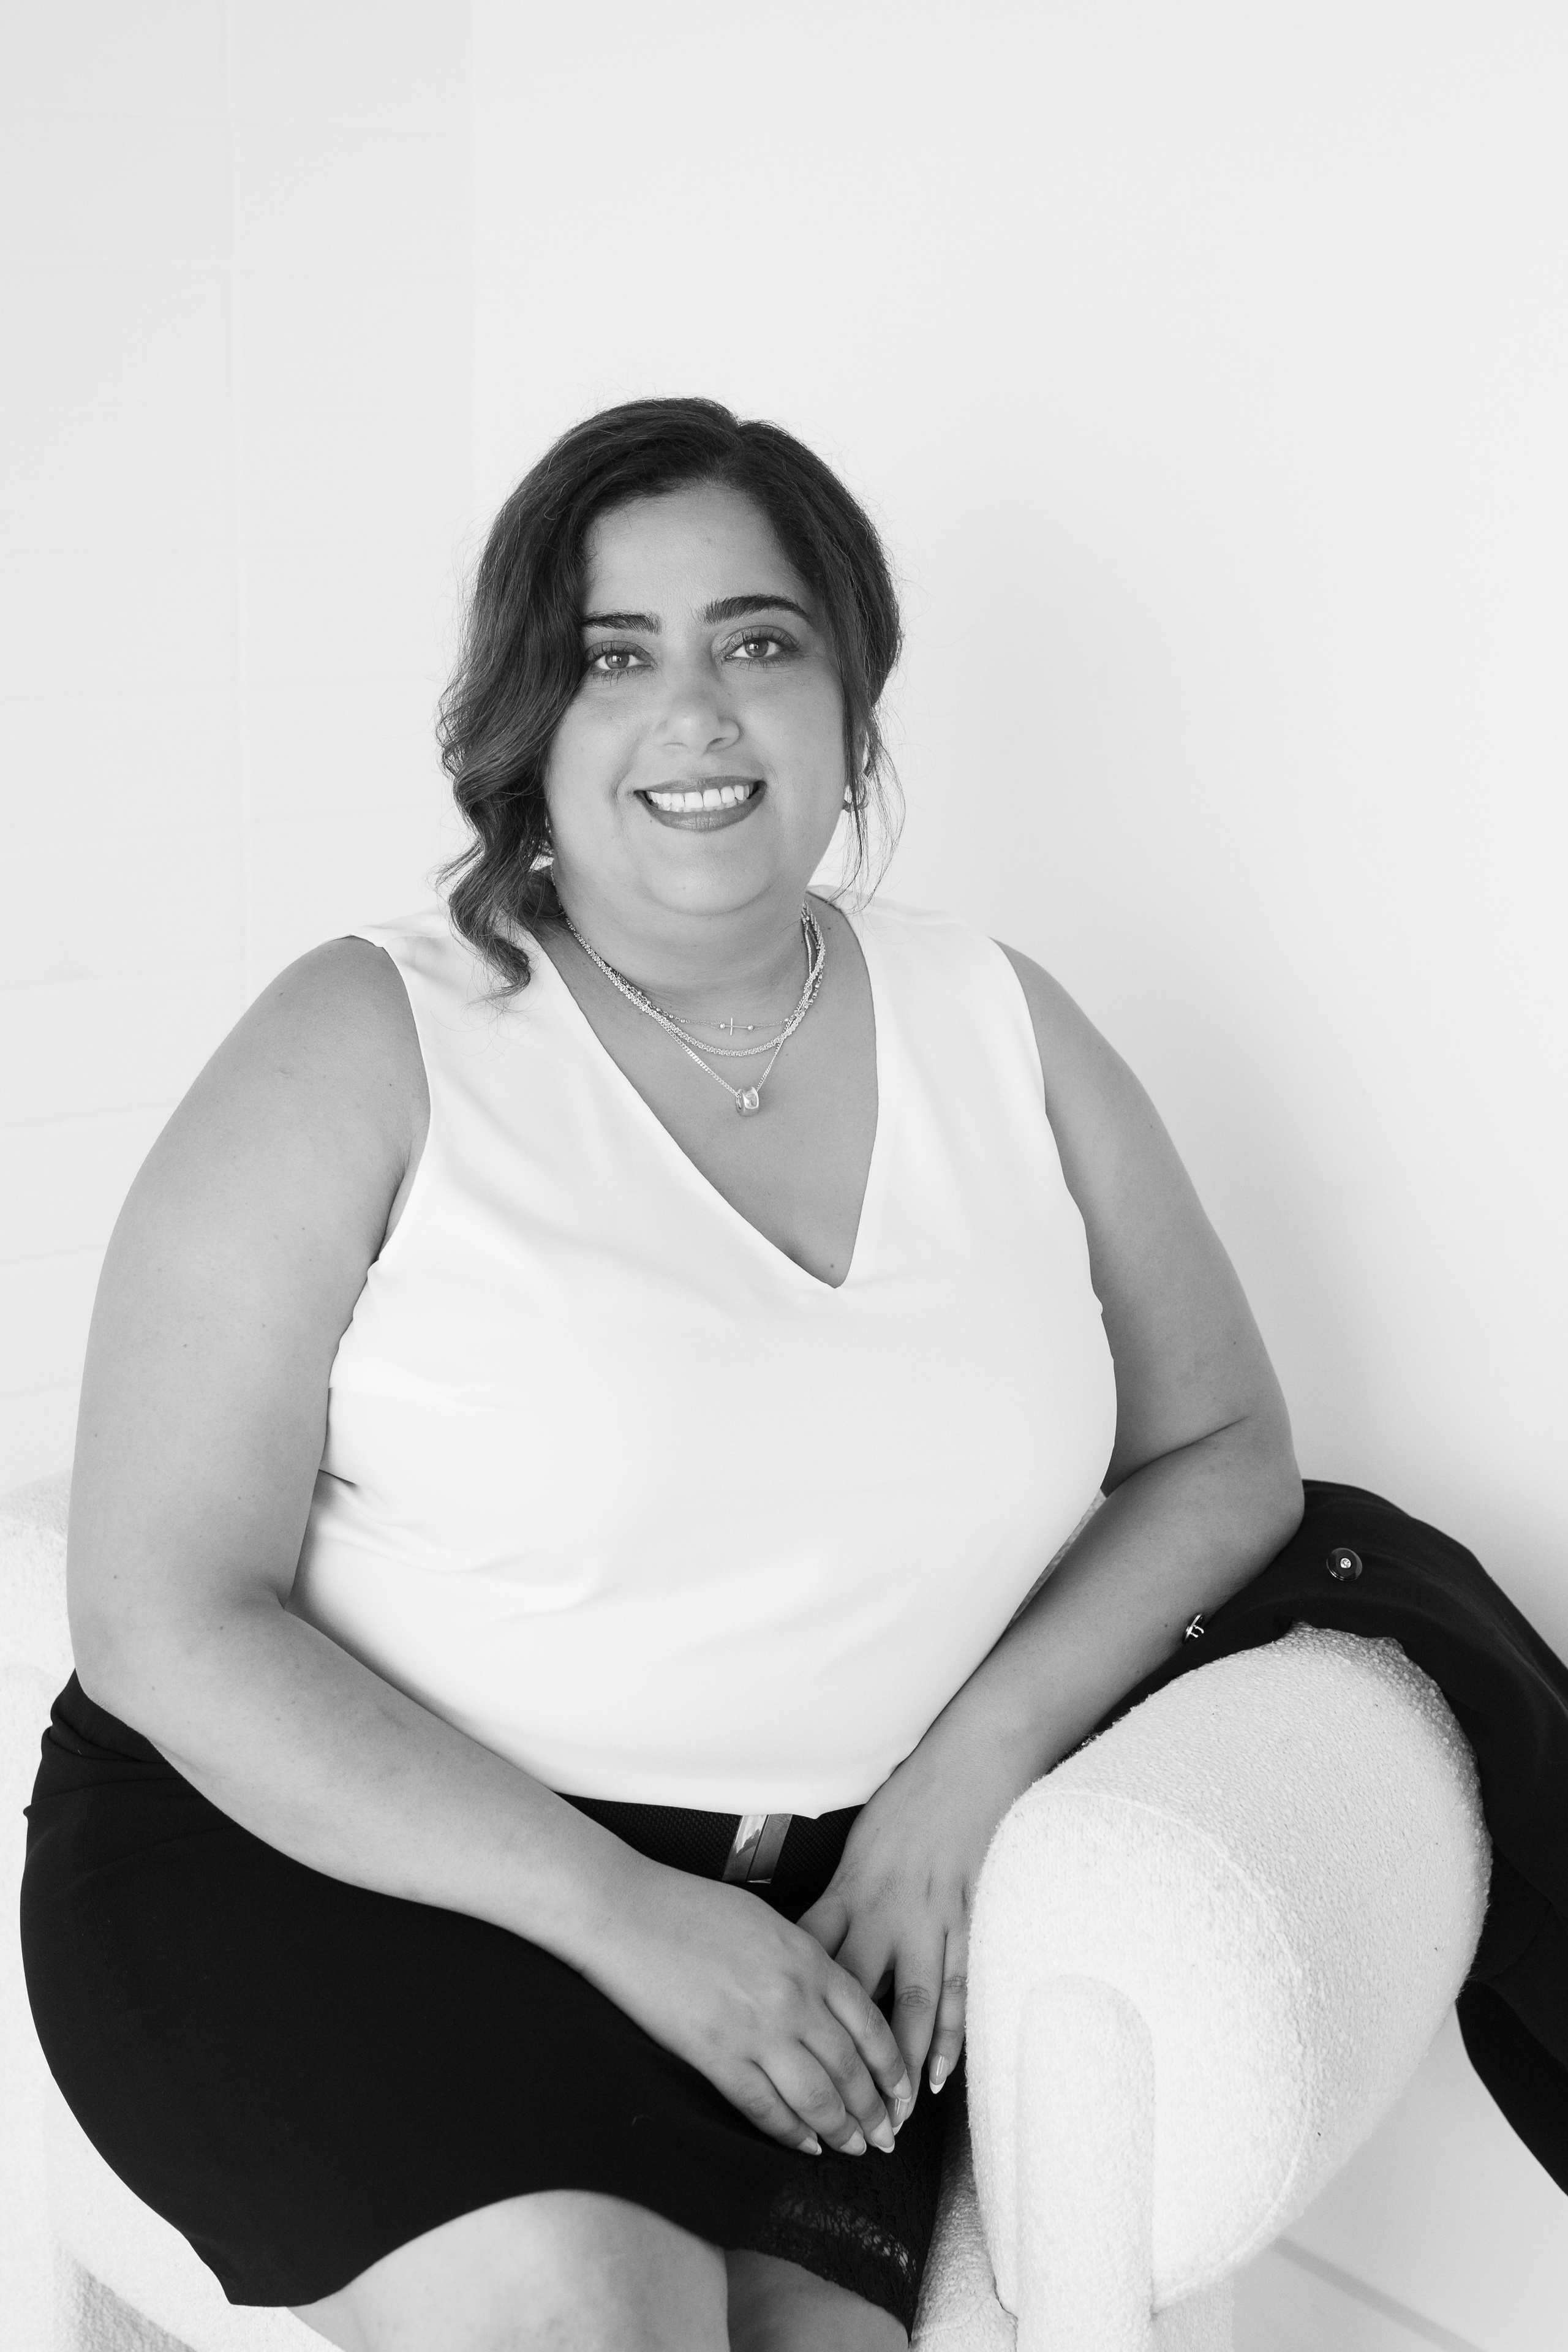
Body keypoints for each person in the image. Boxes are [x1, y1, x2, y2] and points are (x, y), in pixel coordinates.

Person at [21, 397, 1303, 2352]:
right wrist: (622, 1920)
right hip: (342, 1877)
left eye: (758, 641)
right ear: (528, 722)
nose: (694, 711)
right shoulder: (366, 1040)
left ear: (850, 704)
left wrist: (970, 1768)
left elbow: (1226, 1447)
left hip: (814, 1933)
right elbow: (157, 1612)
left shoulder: (999, 1020)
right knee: (585, 2315)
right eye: (616, 657)